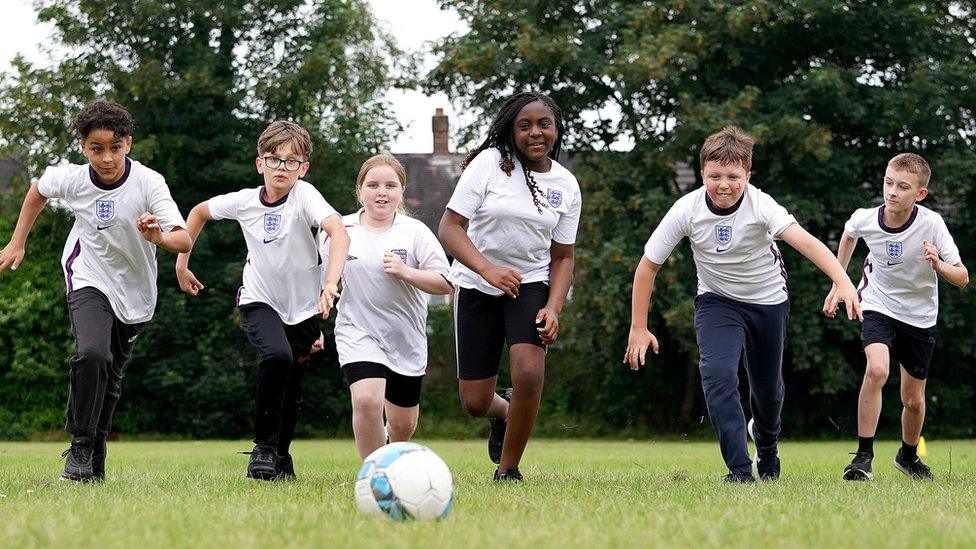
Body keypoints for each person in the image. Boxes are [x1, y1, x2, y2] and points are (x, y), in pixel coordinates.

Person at [624, 126, 862, 483]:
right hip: (717, 301)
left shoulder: (761, 204)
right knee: (717, 376)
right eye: (714, 175)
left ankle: (766, 447)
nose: (723, 185)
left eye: (733, 177)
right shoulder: (685, 210)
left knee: (767, 390)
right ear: (701, 172)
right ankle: (738, 470)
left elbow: (806, 242)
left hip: (768, 301)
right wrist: (638, 327)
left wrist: (842, 281)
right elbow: (648, 266)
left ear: (748, 176)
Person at [0, 100, 190, 482]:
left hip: (135, 290)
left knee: (111, 376)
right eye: (97, 149)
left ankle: (94, 454)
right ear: (84, 148)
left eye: (115, 148)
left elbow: (183, 240)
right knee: (91, 354)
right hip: (88, 274)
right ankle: (81, 447)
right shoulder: (70, 178)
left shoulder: (149, 183)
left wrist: (156, 236)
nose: (106, 158)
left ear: (129, 144)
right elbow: (37, 191)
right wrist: (18, 241)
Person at [175, 121, 349, 480]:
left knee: (293, 386)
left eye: (291, 161)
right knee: (277, 357)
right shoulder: (243, 202)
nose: (281, 167)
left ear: (303, 168)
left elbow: (338, 231)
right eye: (273, 159)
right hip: (258, 298)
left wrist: (330, 283)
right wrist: (182, 264)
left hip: (304, 308)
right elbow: (198, 213)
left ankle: (280, 456)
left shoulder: (305, 196)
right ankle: (264, 449)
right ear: (260, 164)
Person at [438, 92, 582, 482]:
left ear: (556, 130)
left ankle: (508, 469)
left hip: (530, 284)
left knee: (530, 372)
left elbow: (563, 257)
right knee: (474, 401)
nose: (535, 132)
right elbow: (450, 228)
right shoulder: (489, 165)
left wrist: (554, 308)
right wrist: (487, 270)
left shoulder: (566, 185)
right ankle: (502, 414)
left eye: (543, 124)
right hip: (476, 284)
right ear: (511, 130)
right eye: (525, 125)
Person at [824, 153, 968, 481]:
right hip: (878, 304)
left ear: (919, 193)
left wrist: (939, 265)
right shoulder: (866, 218)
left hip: (919, 316)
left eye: (902, 187)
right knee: (876, 369)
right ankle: (862, 457)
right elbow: (849, 234)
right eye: (889, 182)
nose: (892, 191)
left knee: (913, 400)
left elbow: (962, 277)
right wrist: (840, 282)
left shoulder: (932, 224)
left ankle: (908, 455)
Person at [323, 153, 452, 460]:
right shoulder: (341, 230)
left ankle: (390, 448)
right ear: (360, 190)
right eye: (373, 184)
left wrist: (407, 272)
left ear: (401, 192)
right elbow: (317, 273)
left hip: (404, 337)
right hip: (358, 331)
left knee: (402, 425)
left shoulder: (414, 232)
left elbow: (447, 282)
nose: (381, 192)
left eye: (390, 185)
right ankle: (374, 475)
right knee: (367, 400)